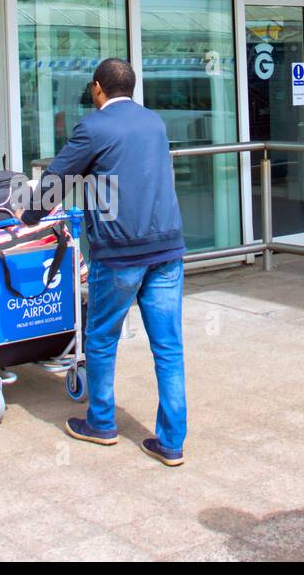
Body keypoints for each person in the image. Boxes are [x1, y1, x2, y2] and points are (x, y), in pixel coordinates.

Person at [20, 58, 189, 467]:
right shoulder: (154, 122)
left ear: (98, 88)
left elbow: (57, 180)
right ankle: (171, 443)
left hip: (120, 253)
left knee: (101, 338)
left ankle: (101, 423)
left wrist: (28, 216)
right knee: (168, 347)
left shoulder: (94, 126)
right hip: (167, 249)